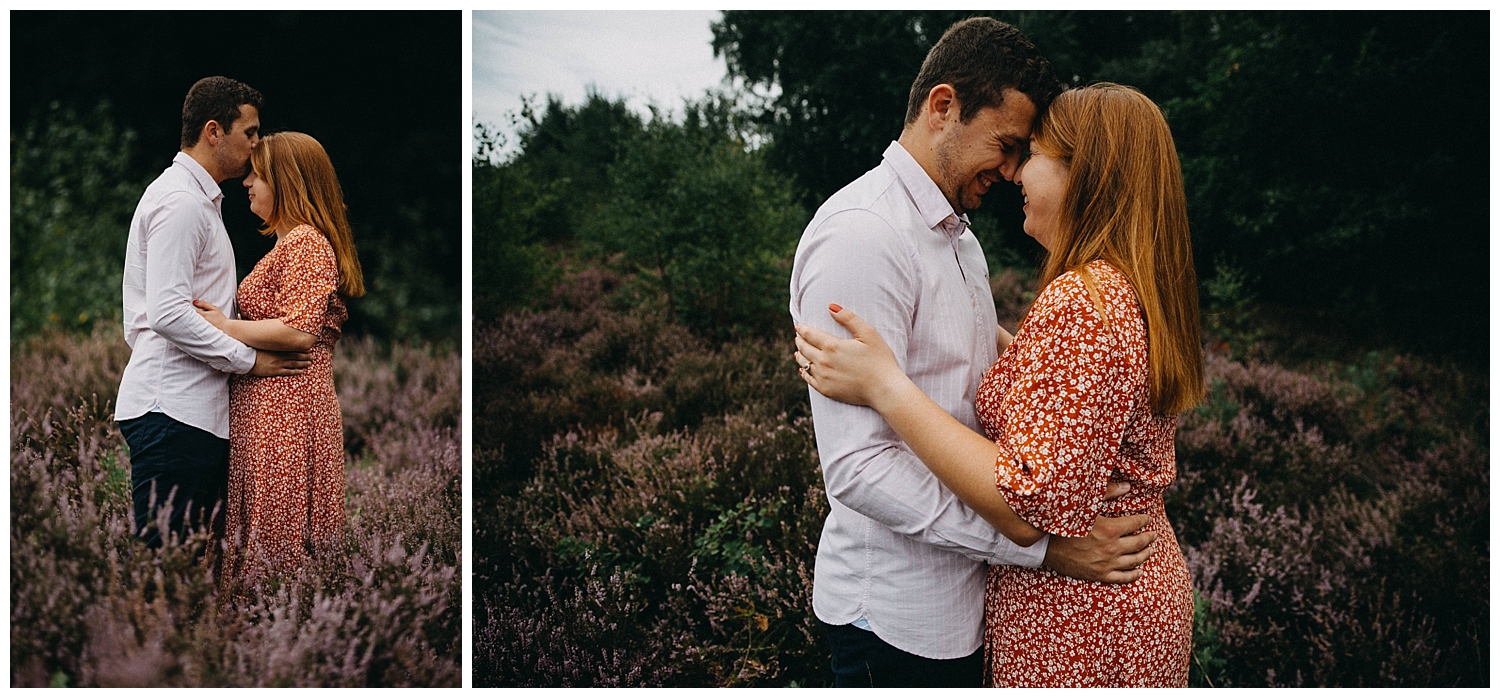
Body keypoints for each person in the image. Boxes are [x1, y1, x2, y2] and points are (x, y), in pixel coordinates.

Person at [794, 83, 1205, 686]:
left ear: (1085, 176)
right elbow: (1064, 384)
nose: (1016, 173)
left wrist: (888, 386)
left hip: (1080, 624)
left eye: (1032, 152)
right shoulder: (1123, 287)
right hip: (1112, 602)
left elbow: (1027, 500)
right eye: (1010, 147)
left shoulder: (1082, 301)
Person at [117, 76, 309, 551]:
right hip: (172, 413)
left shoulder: (199, 202)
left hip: (188, 412)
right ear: (213, 131)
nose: (257, 144)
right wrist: (249, 361)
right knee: (164, 568)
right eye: (250, 133)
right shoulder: (182, 203)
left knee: (186, 574)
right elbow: (165, 313)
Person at [192, 131, 364, 580]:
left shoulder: (306, 243)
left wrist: (226, 326)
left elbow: (299, 330)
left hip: (287, 407)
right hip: (269, 404)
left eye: (258, 174)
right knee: (264, 527)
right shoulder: (289, 245)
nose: (247, 182)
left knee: (277, 529)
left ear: (287, 181)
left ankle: (276, 626)